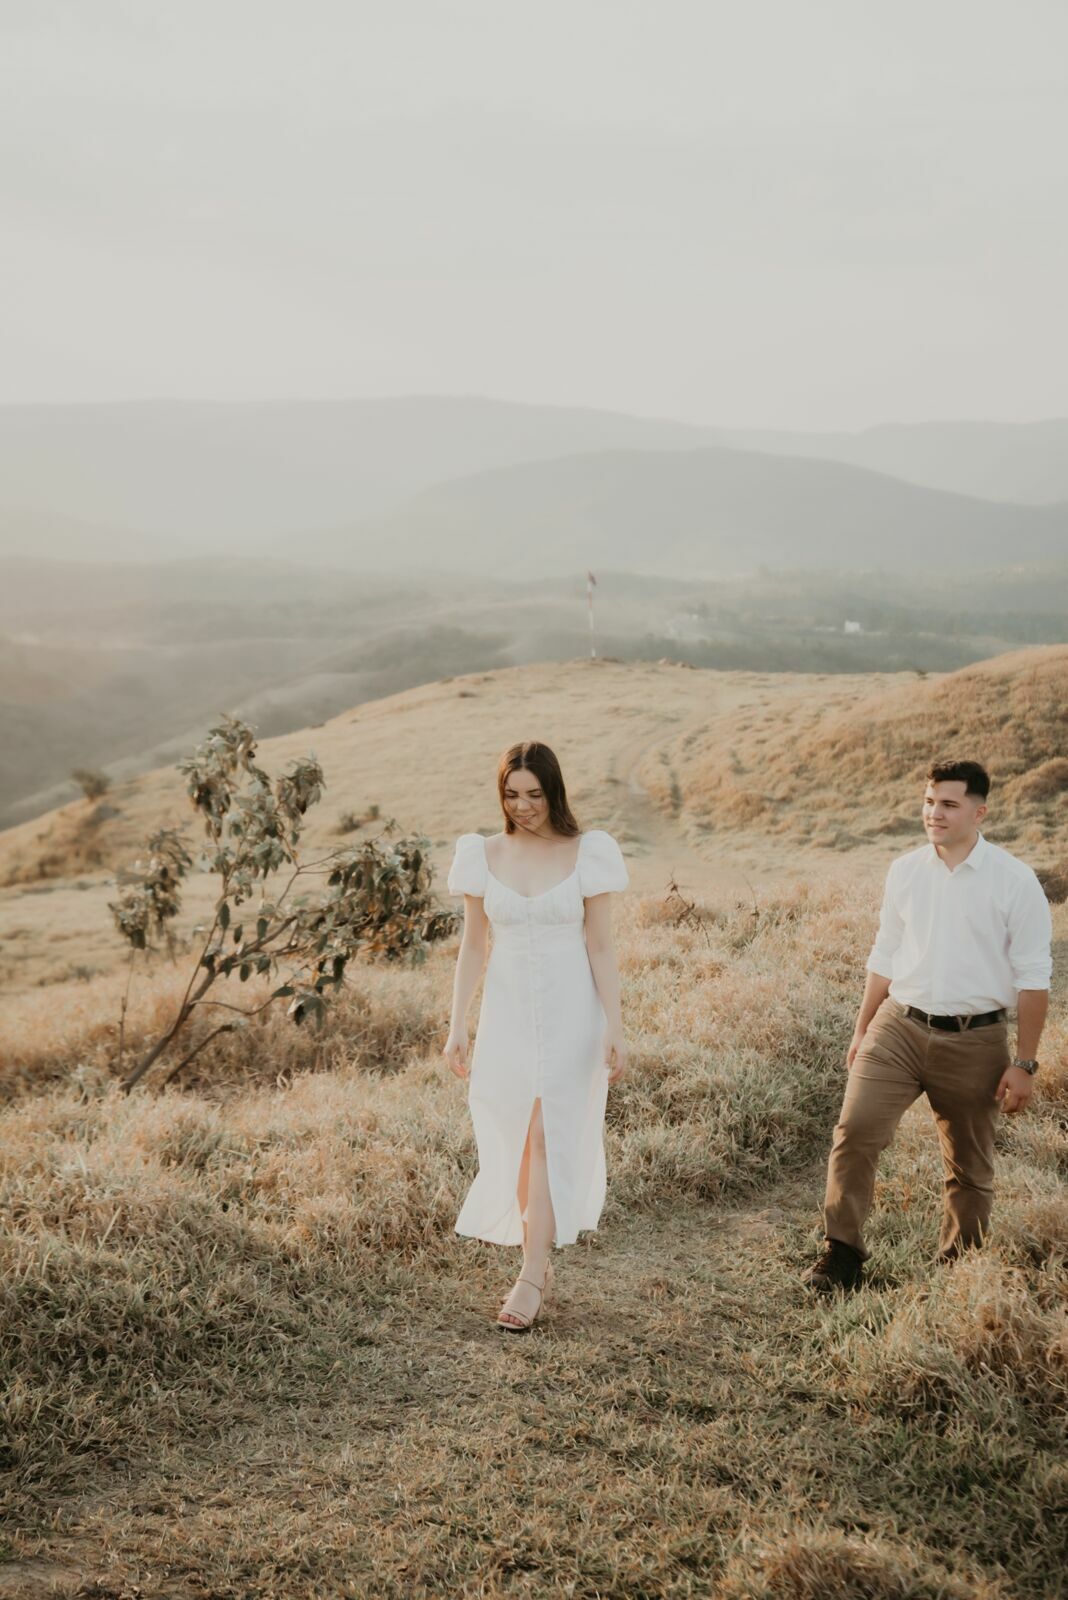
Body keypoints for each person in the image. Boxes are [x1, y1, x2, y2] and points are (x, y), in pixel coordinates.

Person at [803, 758, 1053, 1293]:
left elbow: (1034, 979)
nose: (933, 813)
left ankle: (958, 1270)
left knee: (969, 1167)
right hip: (898, 1026)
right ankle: (841, 1254)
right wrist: (862, 1028)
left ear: (979, 813)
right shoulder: (905, 870)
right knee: (854, 1132)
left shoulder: (1014, 881)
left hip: (976, 1039)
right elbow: (885, 953)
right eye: (928, 801)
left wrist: (1025, 1063)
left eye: (948, 804)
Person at [443, 740, 628, 1331]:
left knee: (549, 1136)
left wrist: (616, 1025)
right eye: (511, 794)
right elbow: (474, 946)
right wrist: (457, 1023)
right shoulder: (481, 854)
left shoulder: (587, 853)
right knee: (520, 1139)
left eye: (534, 794)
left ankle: (530, 1273)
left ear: (554, 792)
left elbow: (600, 945)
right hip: (508, 1015)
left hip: (573, 1011)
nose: (522, 806)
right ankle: (537, 1260)